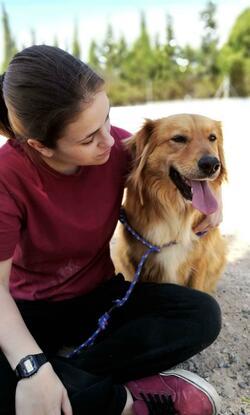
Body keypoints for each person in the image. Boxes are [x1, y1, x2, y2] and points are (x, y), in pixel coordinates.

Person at [0, 45, 222, 415]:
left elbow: (187, 162)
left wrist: (212, 198)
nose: (110, 140)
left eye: (106, 119)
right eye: (88, 138)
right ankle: (124, 402)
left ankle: (58, 389)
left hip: (98, 295)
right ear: (41, 146)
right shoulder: (7, 177)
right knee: (17, 364)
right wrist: (30, 363)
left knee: (201, 315)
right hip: (28, 310)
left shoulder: (116, 147)